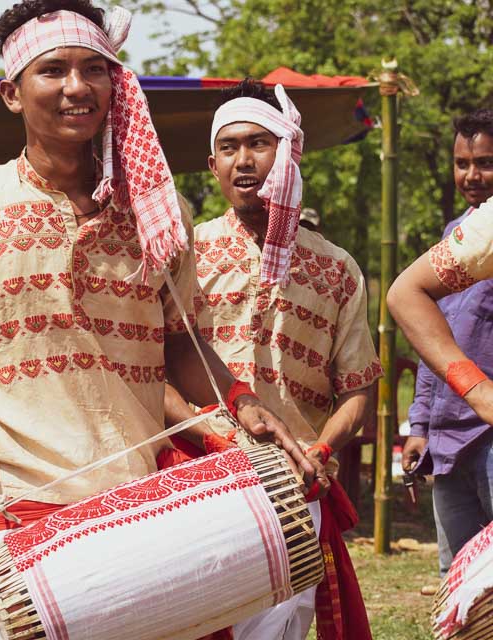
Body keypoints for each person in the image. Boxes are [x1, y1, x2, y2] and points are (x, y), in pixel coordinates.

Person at [0, 3, 324, 638]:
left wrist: (243, 404)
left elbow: (181, 347)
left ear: (116, 84)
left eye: (94, 69)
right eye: (52, 70)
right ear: (12, 92)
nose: (76, 87)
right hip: (12, 501)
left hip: (137, 503)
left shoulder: (157, 213)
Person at [167, 78, 378, 640]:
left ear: (289, 154)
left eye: (259, 144)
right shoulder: (184, 252)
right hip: (192, 478)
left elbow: (358, 389)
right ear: (211, 164)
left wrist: (321, 450)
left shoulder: (338, 270)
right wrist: (207, 441)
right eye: (230, 147)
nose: (244, 161)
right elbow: (150, 365)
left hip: (294, 486)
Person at [400, 109, 493, 577]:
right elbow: (431, 340)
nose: (472, 175)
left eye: (485, 162)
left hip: (490, 433)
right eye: (462, 163)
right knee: (457, 582)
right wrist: (420, 425)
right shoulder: (454, 237)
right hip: (449, 436)